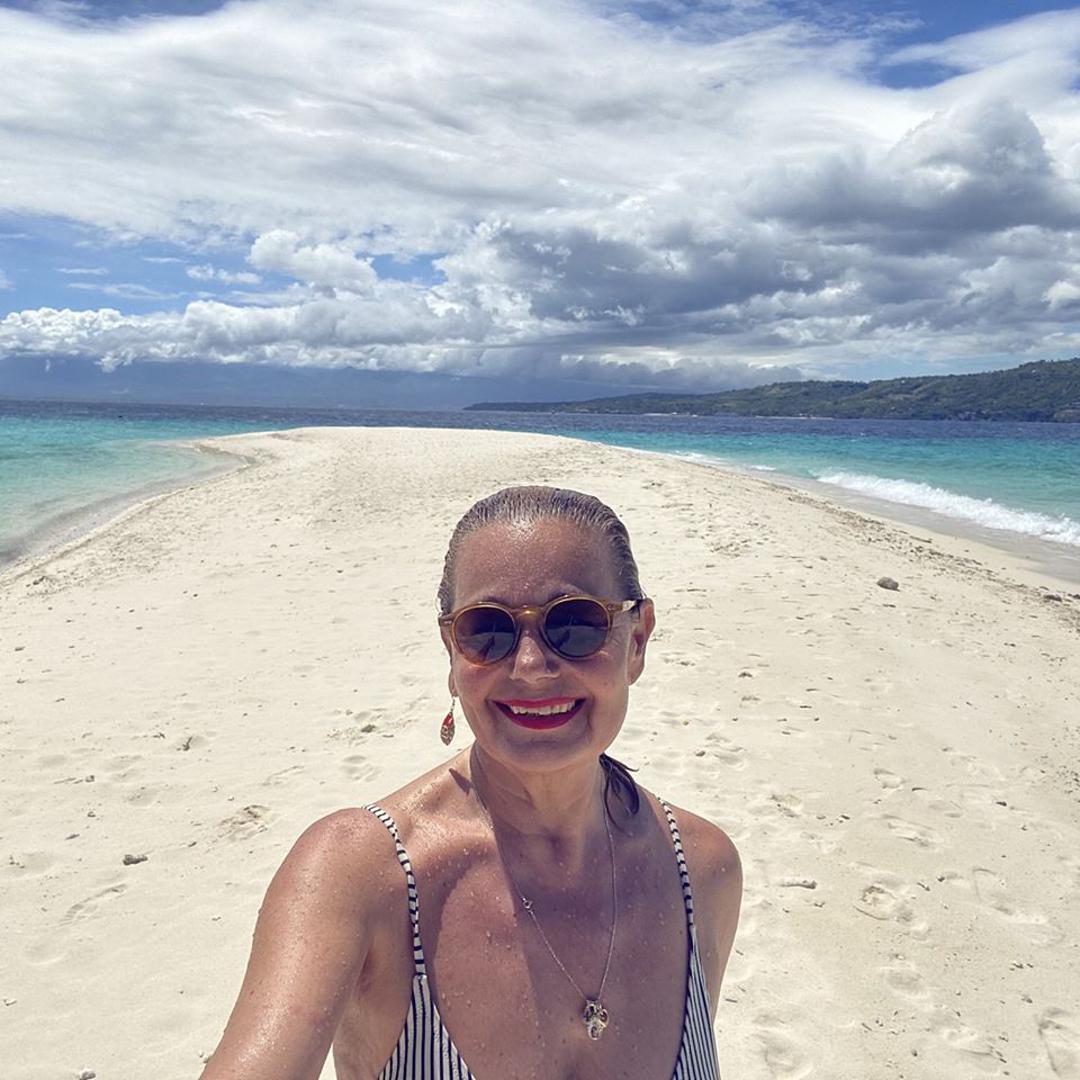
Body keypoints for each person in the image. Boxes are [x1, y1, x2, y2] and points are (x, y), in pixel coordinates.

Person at [201, 486, 742, 1079]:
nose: (531, 666)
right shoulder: (360, 875)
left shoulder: (702, 869)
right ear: (451, 652)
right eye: (487, 631)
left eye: (576, 624)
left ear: (636, 640)